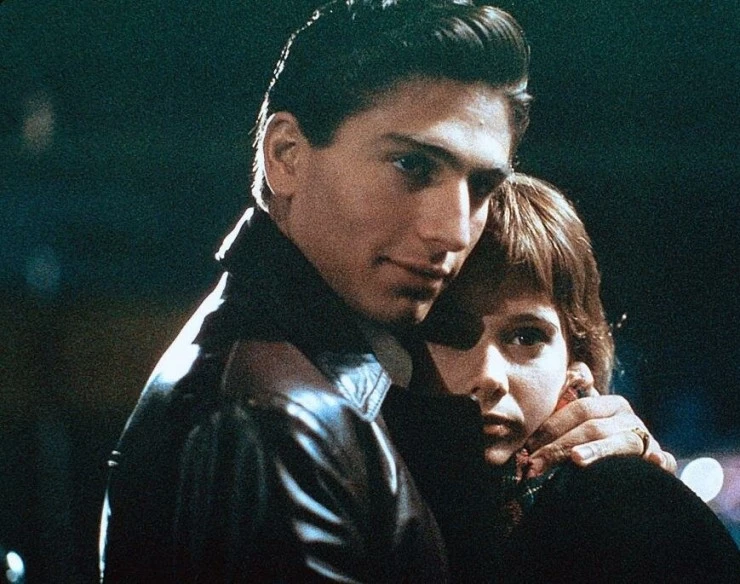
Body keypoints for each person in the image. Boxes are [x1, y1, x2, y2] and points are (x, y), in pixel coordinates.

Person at [99, 2, 674, 582]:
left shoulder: (329, 383)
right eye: (413, 165)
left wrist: (603, 497)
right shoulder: (281, 420)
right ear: (286, 155)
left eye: (481, 186)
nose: (454, 231)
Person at [383, 174, 740, 583]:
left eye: (526, 337)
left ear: (576, 359)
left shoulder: (625, 505)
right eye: (449, 331)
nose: (489, 376)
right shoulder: (361, 477)